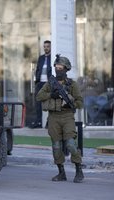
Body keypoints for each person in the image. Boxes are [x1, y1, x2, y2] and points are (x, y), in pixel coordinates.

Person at [36, 54, 84, 183]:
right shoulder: (50, 83)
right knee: (56, 146)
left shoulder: (72, 85)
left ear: (66, 69)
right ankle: (61, 172)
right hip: (53, 117)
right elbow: (39, 96)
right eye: (56, 67)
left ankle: (79, 170)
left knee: (71, 144)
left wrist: (69, 100)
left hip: (67, 116)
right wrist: (52, 94)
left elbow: (80, 102)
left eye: (61, 67)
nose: (58, 70)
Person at [30, 40, 52, 128]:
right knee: (38, 103)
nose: (46, 48)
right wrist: (37, 80)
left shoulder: (53, 57)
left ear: (51, 47)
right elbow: (38, 69)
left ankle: (49, 122)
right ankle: (38, 122)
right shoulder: (41, 58)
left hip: (48, 83)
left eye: (48, 46)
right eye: (45, 46)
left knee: (50, 103)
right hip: (40, 83)